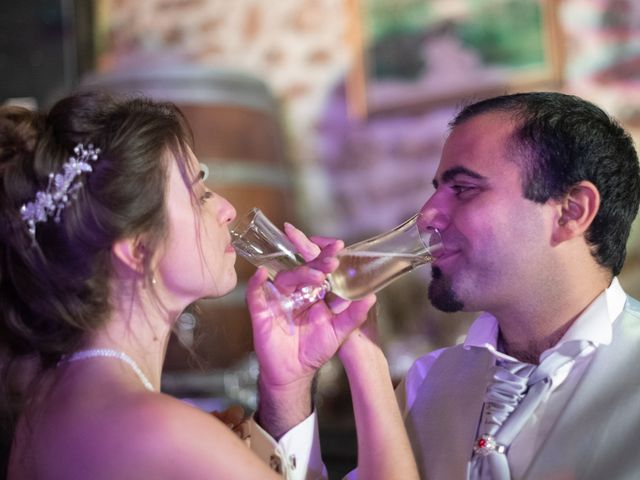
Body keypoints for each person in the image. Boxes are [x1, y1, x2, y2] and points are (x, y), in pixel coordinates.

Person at [0, 91, 419, 479]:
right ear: (136, 248)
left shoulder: (48, 402)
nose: (226, 209)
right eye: (200, 194)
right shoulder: (162, 433)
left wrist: (285, 386)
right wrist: (365, 353)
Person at [247, 91, 640, 479]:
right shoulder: (427, 382)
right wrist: (290, 387)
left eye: (464, 189)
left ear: (571, 211)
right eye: (437, 189)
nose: (427, 215)